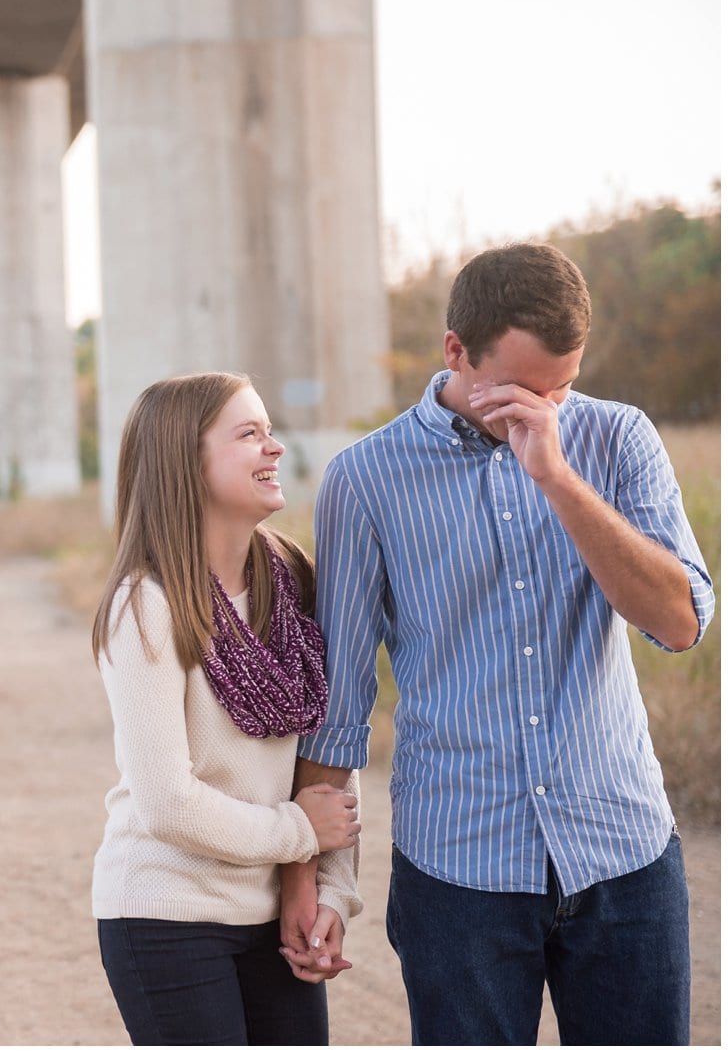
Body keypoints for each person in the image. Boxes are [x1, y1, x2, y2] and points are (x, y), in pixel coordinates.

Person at [282, 242, 714, 1044]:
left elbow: (680, 622)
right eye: (524, 388)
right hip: (458, 873)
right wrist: (316, 880)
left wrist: (557, 477)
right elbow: (339, 704)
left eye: (565, 386)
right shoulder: (364, 480)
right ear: (456, 351)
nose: (549, 407)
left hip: (622, 852)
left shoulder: (618, 441)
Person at [89, 372, 362, 1045]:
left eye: (270, 430)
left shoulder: (295, 581)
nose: (274, 448)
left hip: (272, 919)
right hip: (165, 914)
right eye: (249, 434)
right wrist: (299, 831)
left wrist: (331, 893)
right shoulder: (147, 605)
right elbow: (168, 803)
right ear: (188, 461)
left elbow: (330, 744)